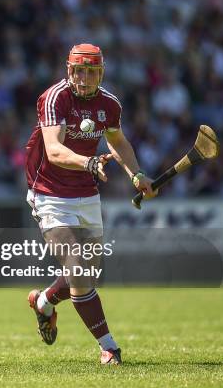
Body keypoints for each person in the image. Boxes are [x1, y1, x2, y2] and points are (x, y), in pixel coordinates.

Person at [24, 44, 157, 365]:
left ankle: (43, 302)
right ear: (68, 70)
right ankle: (109, 346)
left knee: (84, 275)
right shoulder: (55, 98)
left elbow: (117, 141)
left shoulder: (109, 104)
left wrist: (137, 174)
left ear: (101, 73)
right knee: (79, 270)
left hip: (86, 194)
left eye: (91, 72)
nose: (83, 78)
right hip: (50, 193)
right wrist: (88, 162)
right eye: (77, 71)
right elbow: (54, 151)